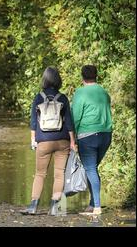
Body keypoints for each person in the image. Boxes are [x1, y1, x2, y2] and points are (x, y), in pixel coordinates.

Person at [21, 67, 76, 216]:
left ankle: (33, 206)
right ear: (58, 80)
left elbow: (33, 122)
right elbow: (69, 122)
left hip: (43, 141)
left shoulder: (38, 97)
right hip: (62, 141)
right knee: (59, 174)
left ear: (44, 79)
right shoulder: (63, 98)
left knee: (40, 174)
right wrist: (72, 141)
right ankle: (54, 207)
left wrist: (33, 139)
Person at [71, 65, 112, 216]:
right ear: (96, 76)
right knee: (92, 168)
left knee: (90, 169)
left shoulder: (80, 92)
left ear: (82, 77)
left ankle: (97, 208)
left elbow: (75, 117)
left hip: (87, 135)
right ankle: (92, 204)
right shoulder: (103, 92)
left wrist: (72, 138)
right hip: (106, 135)